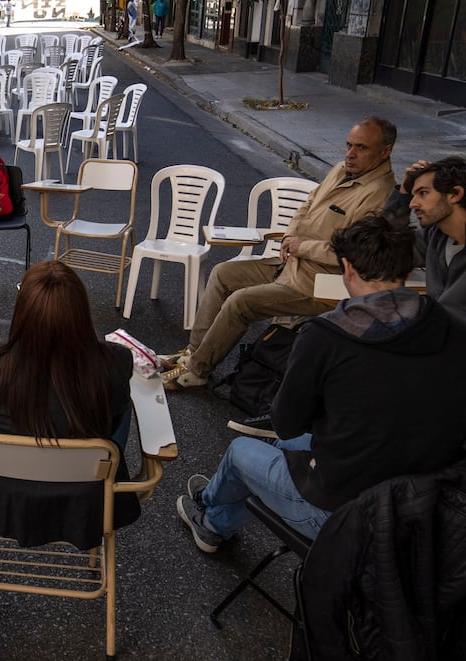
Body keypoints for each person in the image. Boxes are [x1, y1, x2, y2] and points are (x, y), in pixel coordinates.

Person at [177, 215, 466, 553]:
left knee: (243, 451)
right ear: (406, 268)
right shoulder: (451, 326)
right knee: (290, 447)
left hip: (346, 514)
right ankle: (218, 508)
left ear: (348, 268)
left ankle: (210, 519)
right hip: (426, 506)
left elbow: (285, 422)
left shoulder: (328, 334)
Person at [160, 116, 397, 390]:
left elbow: (356, 252)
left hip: (317, 282)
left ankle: (197, 372)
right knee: (223, 273)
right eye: (348, 145)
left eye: (361, 148)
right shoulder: (340, 169)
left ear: (385, 151)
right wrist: (290, 235)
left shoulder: (380, 195)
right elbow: (308, 204)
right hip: (290, 264)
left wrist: (302, 246)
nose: (350, 154)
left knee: (241, 302)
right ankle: (193, 352)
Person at [0, 261, 140, 547]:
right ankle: (106, 469)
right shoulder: (116, 362)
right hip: (88, 493)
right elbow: (113, 420)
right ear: (80, 311)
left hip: (0, 492)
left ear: (23, 310)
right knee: (123, 403)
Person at [383, 157, 466, 323]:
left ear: (455, 194)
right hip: (432, 337)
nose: (413, 204)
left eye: (423, 193)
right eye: (413, 196)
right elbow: (384, 252)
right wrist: (403, 196)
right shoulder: (434, 236)